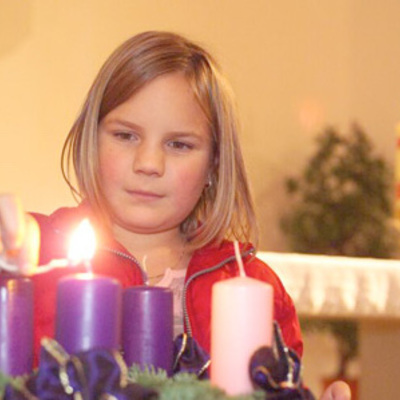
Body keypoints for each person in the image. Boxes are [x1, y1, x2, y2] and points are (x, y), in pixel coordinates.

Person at [0, 31, 350, 399]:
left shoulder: (254, 285)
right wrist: (10, 267)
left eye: (179, 144)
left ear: (214, 163)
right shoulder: (37, 258)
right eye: (125, 135)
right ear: (92, 137)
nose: (149, 163)